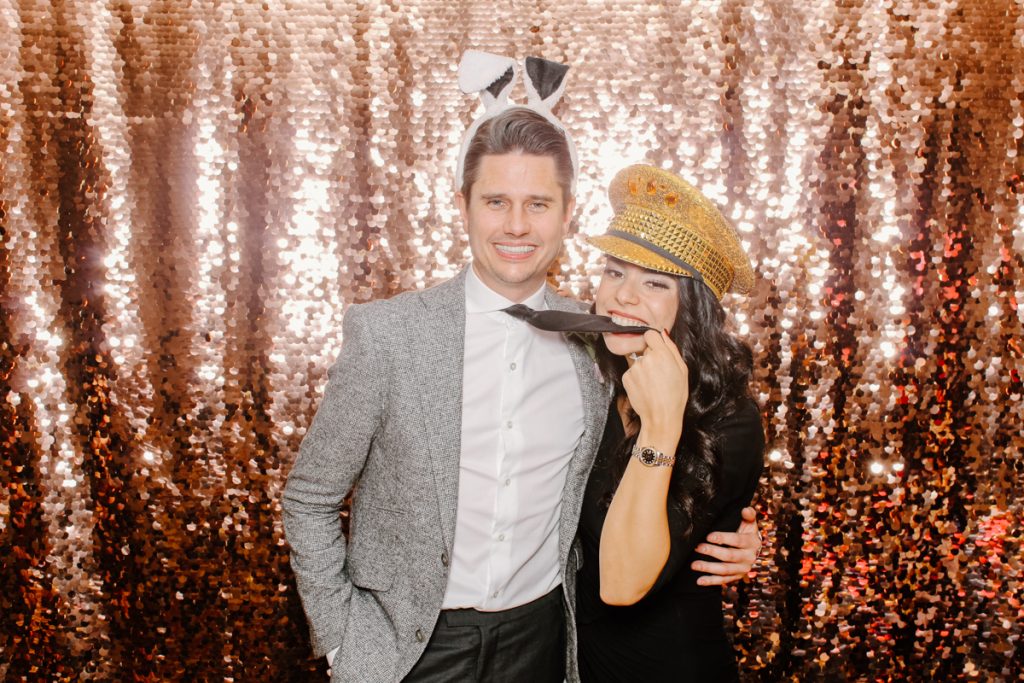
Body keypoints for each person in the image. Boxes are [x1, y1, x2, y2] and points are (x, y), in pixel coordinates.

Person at [282, 53, 762, 683]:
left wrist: (733, 527)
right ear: (465, 206)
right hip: (410, 650)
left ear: (568, 214)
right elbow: (310, 497)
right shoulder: (388, 335)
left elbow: (681, 464)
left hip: (545, 642)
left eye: (538, 204)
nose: (515, 225)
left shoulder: (599, 343)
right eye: (496, 201)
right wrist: (346, 642)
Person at [570, 164, 764, 682]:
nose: (621, 297)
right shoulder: (600, 372)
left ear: (692, 309)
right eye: (614, 272)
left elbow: (621, 584)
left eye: (654, 283)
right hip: (573, 664)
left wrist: (660, 429)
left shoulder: (731, 420)